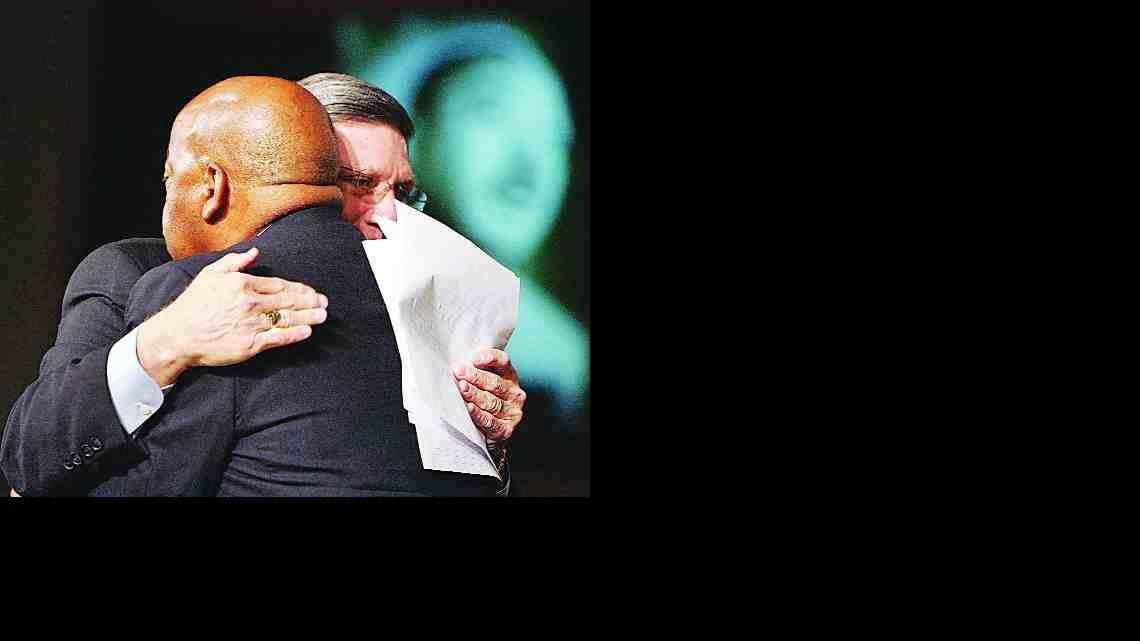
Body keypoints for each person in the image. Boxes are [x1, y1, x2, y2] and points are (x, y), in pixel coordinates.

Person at [3, 76, 516, 496]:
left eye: (402, 191)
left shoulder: (419, 298)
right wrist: (161, 344)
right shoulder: (133, 275)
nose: (389, 216)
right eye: (353, 182)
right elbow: (37, 454)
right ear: (285, 159)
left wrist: (481, 436)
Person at [351, 18, 588, 417]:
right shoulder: (343, 311)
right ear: (412, 138)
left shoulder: (562, 361)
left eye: (554, 136)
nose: (530, 162)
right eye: (490, 113)